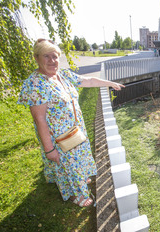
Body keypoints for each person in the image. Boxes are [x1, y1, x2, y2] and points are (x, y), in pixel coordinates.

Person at [17, 39, 125, 207]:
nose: (52, 61)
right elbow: (39, 120)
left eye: (55, 56)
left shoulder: (63, 75)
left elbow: (88, 81)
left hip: (75, 131)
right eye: (47, 56)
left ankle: (80, 178)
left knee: (78, 161)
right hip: (59, 139)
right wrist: (49, 149)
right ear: (36, 58)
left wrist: (110, 84)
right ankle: (76, 195)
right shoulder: (35, 84)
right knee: (67, 167)